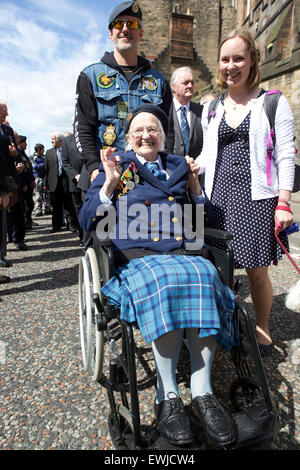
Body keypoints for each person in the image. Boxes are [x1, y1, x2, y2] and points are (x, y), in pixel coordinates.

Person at [79, 103, 237, 447]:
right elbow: (88, 221)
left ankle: (202, 391)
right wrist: (108, 184)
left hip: (180, 249)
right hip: (137, 255)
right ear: (128, 138)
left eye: (153, 129)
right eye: (138, 130)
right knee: (163, 281)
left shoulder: (179, 167)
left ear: (164, 137)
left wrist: (195, 187)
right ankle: (166, 396)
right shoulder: (120, 168)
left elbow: (201, 221)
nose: (146, 134)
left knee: (205, 275)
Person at [196, 28, 295, 356]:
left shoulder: (272, 102)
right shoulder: (212, 108)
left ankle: (262, 327)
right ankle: (224, 324)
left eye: (239, 58)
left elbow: (285, 154)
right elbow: (206, 155)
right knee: (218, 269)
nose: (231, 65)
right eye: (225, 59)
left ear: (253, 60)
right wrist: (186, 167)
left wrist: (284, 202)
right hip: (217, 199)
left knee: (256, 272)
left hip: (256, 199)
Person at [74, 1, 172, 197]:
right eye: (119, 24)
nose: (126, 29)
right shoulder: (90, 76)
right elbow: (83, 127)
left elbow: (168, 132)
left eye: (132, 24)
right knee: (101, 227)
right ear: (111, 33)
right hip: (104, 177)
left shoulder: (158, 81)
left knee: (143, 227)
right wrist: (94, 168)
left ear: (141, 33)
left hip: (145, 178)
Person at [0, 101, 28, 251]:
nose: (7, 114)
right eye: (5, 111)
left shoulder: (8, 130)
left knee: (18, 208)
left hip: (12, 176)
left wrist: (17, 158)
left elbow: (16, 152)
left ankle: (19, 239)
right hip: (1, 177)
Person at [165, 67, 203, 159]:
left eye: (192, 83)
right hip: (170, 167)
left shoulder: (201, 111)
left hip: (195, 168)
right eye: (185, 83)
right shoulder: (165, 109)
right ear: (173, 86)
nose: (190, 86)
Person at [44, 132, 78, 233]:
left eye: (53, 139)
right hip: (54, 183)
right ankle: (56, 225)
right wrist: (46, 184)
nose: (51, 141)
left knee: (69, 205)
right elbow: (47, 169)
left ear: (60, 140)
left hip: (66, 181)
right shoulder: (49, 152)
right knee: (56, 206)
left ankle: (71, 225)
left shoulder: (67, 151)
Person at [61, 133, 84, 244]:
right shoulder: (67, 141)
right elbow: (65, 162)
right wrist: (75, 175)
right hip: (76, 183)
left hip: (93, 180)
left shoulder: (91, 135)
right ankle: (84, 238)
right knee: (79, 212)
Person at [17, 135, 35, 229]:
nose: (26, 144)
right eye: (24, 142)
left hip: (28, 183)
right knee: (26, 204)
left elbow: (29, 169)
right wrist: (24, 183)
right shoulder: (18, 155)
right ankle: (25, 221)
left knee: (30, 203)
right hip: (23, 184)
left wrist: (32, 180)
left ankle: (29, 220)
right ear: (20, 143)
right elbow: (21, 172)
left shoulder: (24, 154)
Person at [32, 144, 51, 217]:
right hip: (38, 177)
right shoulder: (34, 157)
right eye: (43, 149)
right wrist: (43, 164)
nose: (44, 150)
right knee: (38, 195)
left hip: (45, 177)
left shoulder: (45, 157)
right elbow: (34, 167)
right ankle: (38, 210)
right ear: (39, 150)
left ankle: (48, 209)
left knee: (47, 194)